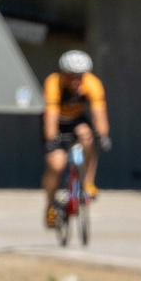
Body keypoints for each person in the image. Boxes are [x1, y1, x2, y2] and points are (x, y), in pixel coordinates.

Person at [40, 50, 109, 224]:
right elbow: (51, 116)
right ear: (64, 74)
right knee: (56, 164)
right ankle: (50, 204)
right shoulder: (53, 83)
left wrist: (103, 135)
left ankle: (88, 183)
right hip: (57, 122)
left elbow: (99, 112)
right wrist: (52, 140)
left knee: (87, 136)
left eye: (80, 76)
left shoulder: (92, 83)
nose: (76, 81)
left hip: (76, 120)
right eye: (71, 76)